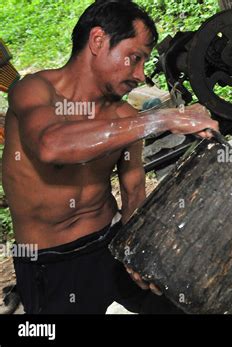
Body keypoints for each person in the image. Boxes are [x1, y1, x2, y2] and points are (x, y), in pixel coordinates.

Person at [2, 0, 219, 314]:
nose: (141, 75)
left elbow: (133, 193)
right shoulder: (34, 91)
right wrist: (159, 119)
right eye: (135, 58)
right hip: (50, 262)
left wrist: (137, 250)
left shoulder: (123, 116)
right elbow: (51, 145)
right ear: (98, 40)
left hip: (113, 242)